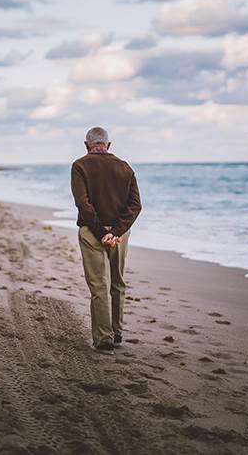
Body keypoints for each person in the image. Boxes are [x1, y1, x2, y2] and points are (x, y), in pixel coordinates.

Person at [71, 127, 142, 355]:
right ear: (108, 145)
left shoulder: (80, 165)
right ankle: (117, 332)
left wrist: (102, 232)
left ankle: (104, 338)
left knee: (99, 285)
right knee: (117, 282)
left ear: (86, 145)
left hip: (92, 232)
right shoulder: (125, 167)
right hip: (119, 235)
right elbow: (135, 206)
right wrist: (117, 232)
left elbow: (83, 204)